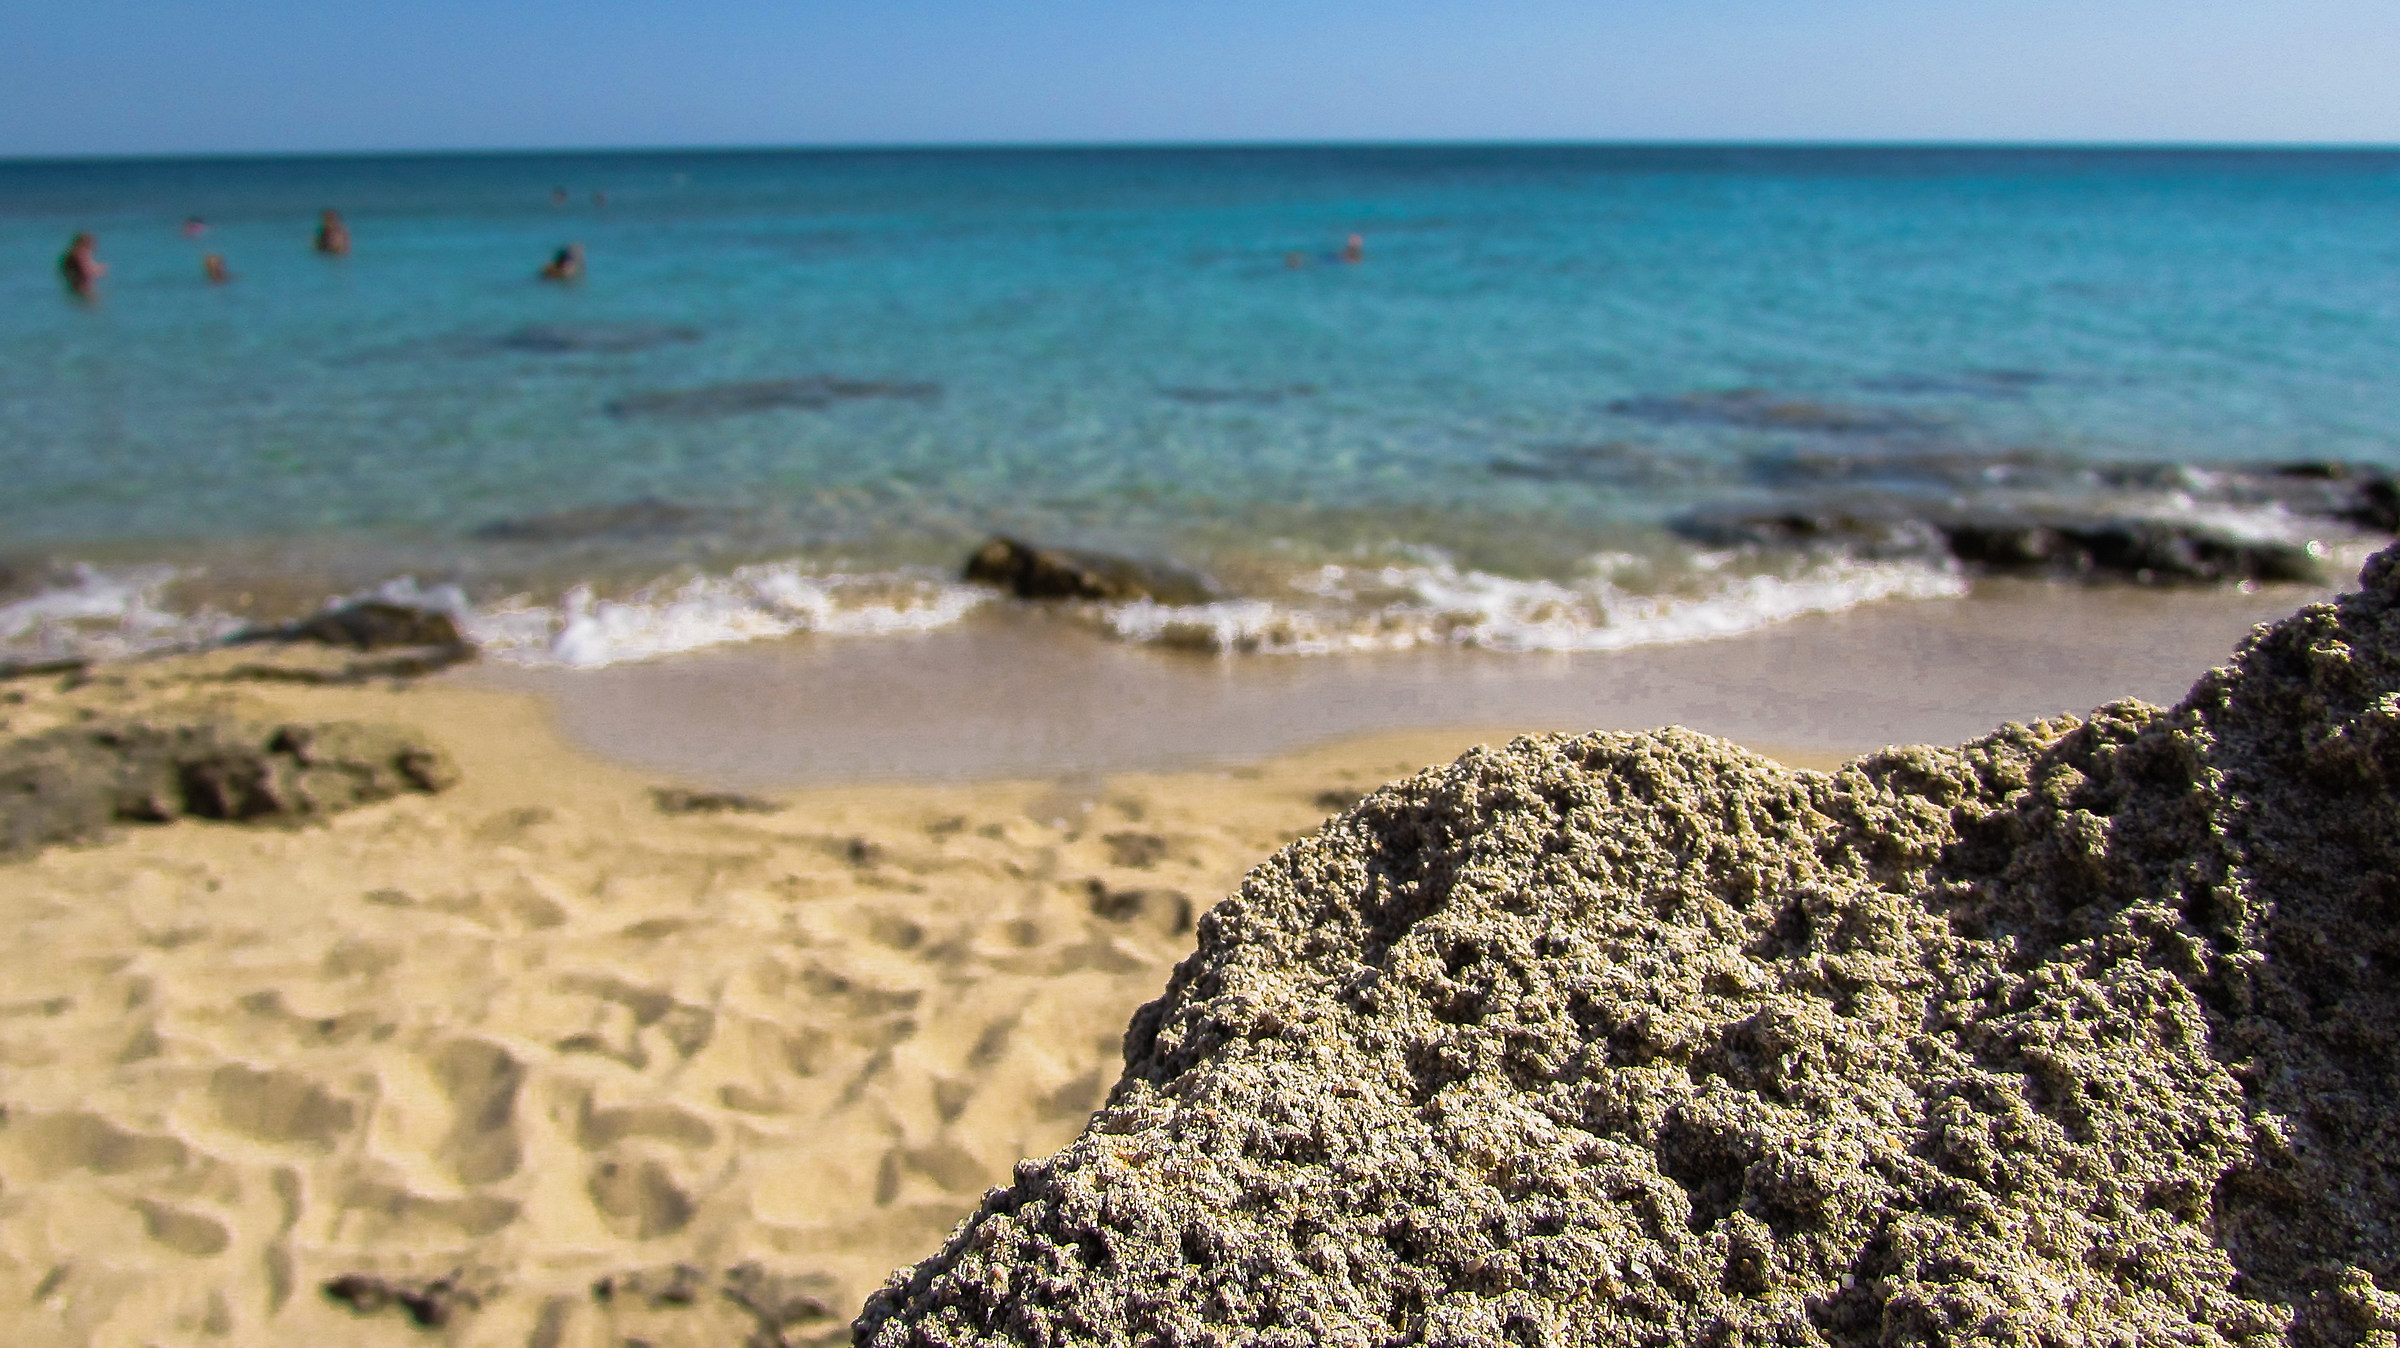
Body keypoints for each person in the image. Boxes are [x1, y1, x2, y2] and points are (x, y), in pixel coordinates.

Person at [59, 232, 105, 297]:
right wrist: (99, 269)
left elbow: (63, 270)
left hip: (75, 285)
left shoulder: (72, 254)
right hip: (81, 286)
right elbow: (86, 270)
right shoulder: (80, 254)